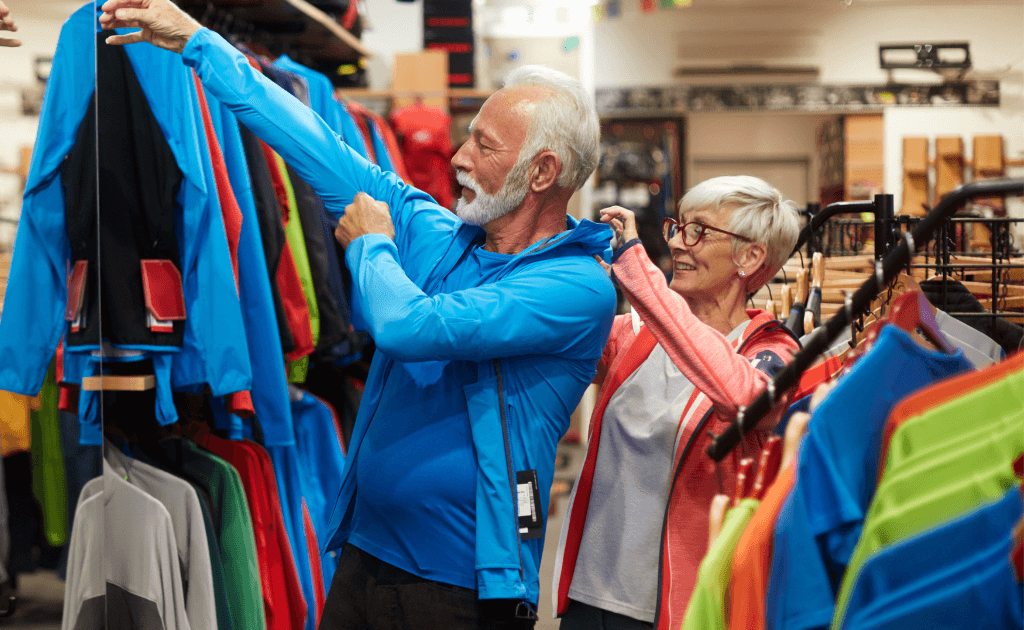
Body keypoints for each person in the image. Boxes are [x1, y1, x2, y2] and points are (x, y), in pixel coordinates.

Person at [97, 1, 617, 628]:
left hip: (462, 585)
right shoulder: (440, 235)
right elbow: (309, 139)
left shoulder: (575, 286)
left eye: (483, 145)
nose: (457, 157)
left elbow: (412, 327)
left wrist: (370, 243)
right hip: (365, 552)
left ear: (542, 172)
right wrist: (198, 42)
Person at [552, 176, 802, 630]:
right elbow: (546, 339)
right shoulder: (633, 335)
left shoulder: (774, 354)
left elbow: (743, 398)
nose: (678, 245)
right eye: (678, 227)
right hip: (589, 597)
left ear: (749, 256)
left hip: (680, 612)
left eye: (699, 231)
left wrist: (639, 277)